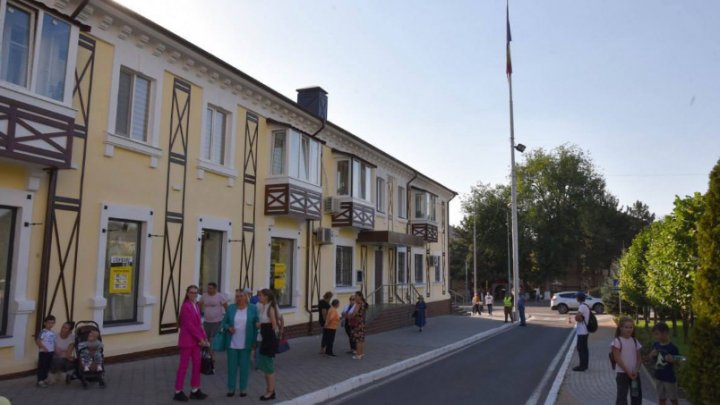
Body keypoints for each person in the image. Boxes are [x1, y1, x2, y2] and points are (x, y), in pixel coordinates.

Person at [174, 285, 209, 402]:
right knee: (183, 367)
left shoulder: (196, 306)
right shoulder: (186, 306)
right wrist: (201, 339)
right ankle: (178, 391)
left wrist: (204, 337)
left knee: (197, 365)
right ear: (187, 293)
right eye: (191, 292)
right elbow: (190, 326)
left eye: (195, 292)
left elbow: (199, 324)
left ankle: (195, 390)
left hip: (196, 342)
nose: (193, 294)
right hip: (187, 341)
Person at [221, 289, 258, 397]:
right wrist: (229, 327)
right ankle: (231, 388)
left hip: (246, 343)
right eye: (237, 296)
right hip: (232, 343)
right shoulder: (231, 308)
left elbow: (256, 325)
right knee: (231, 367)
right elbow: (224, 323)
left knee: (244, 367)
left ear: (246, 296)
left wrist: (255, 341)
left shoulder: (252, 308)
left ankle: (243, 389)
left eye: (241, 296)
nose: (239, 298)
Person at [612, 316, 643, 405]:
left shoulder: (634, 341)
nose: (629, 330)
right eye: (626, 327)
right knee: (622, 397)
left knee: (636, 396)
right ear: (621, 328)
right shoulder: (617, 341)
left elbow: (639, 358)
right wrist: (628, 371)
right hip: (622, 374)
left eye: (631, 327)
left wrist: (636, 371)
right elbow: (617, 359)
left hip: (634, 374)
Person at [257, 288, 281, 401]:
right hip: (264, 339)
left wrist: (260, 325)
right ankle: (269, 389)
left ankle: (271, 392)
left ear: (266, 296)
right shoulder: (263, 307)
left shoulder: (270, 308)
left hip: (269, 340)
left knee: (269, 367)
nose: (259, 297)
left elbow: (274, 326)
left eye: (260, 295)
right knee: (265, 367)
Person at [648, 322, 680, 405]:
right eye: (654, 334)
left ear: (665, 333)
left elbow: (680, 359)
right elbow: (650, 358)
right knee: (661, 399)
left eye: (657, 334)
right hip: (658, 376)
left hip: (669, 378)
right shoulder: (656, 345)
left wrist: (672, 359)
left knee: (673, 399)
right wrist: (651, 355)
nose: (655, 336)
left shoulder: (672, 348)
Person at [200, 282, 228, 364]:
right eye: (208, 288)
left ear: (215, 289)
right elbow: (199, 305)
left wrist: (227, 319)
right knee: (206, 339)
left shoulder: (220, 296)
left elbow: (227, 308)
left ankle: (212, 357)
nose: (209, 289)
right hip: (206, 321)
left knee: (212, 339)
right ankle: (207, 355)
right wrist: (199, 315)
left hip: (216, 321)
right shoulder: (204, 296)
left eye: (211, 288)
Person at [571, 292, 590, 372]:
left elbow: (577, 317)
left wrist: (576, 316)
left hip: (582, 331)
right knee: (584, 349)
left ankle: (582, 366)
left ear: (579, 298)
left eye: (577, 297)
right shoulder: (586, 306)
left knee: (580, 348)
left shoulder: (582, 307)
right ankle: (585, 365)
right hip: (585, 330)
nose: (576, 298)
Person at [36, 314, 56, 388]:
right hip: (43, 352)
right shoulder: (43, 332)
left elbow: (53, 342)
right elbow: (38, 341)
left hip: (51, 352)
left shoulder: (53, 332)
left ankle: (44, 379)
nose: (50, 324)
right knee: (42, 366)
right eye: (49, 323)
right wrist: (43, 348)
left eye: (52, 323)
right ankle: (40, 380)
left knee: (47, 366)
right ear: (45, 323)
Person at [350, 291, 368, 360]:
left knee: (358, 340)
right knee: (361, 339)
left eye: (356, 296)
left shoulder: (358, 304)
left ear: (360, 296)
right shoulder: (363, 303)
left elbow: (354, 313)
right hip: (361, 322)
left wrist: (350, 316)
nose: (355, 297)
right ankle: (361, 353)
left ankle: (358, 354)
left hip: (357, 323)